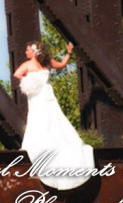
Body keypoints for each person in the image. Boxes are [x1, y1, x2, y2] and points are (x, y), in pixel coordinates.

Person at [12, 40, 94, 190]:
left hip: (37, 96)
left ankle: (38, 144)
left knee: (37, 119)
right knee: (55, 118)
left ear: (34, 52)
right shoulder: (47, 62)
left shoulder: (27, 65)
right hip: (47, 94)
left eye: (28, 50)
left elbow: (17, 74)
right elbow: (62, 65)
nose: (26, 52)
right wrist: (69, 52)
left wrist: (30, 82)